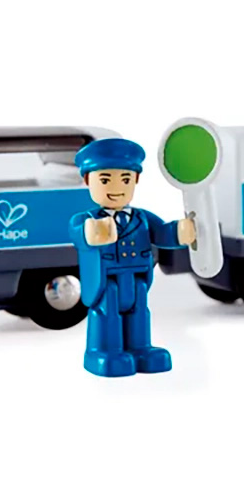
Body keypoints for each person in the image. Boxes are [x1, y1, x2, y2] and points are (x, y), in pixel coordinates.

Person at [69, 137, 196, 377]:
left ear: (136, 180)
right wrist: (90, 232)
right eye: (105, 180)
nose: (116, 187)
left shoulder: (141, 218)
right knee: (107, 311)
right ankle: (103, 351)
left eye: (125, 179)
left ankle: (140, 347)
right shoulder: (86, 219)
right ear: (88, 181)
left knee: (139, 311)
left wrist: (180, 231)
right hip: (106, 280)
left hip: (137, 276)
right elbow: (77, 233)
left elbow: (162, 233)